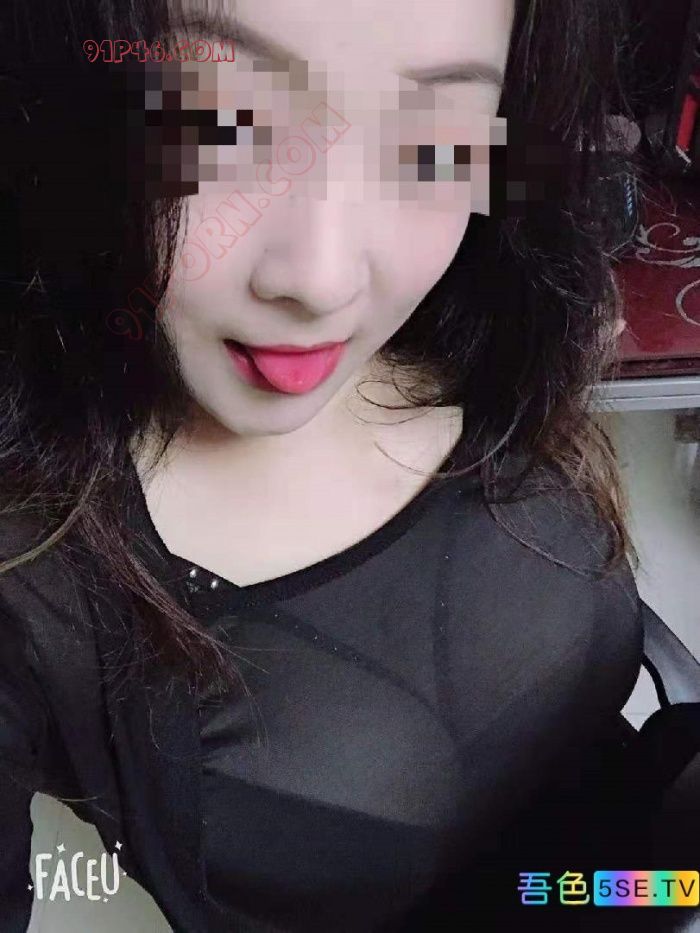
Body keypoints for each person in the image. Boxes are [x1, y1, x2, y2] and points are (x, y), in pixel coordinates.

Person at [0, 0, 682, 930]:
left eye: (434, 142)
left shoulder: (487, 315)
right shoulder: (29, 564)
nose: (323, 281)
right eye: (220, 124)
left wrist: (681, 851)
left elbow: (575, 847)